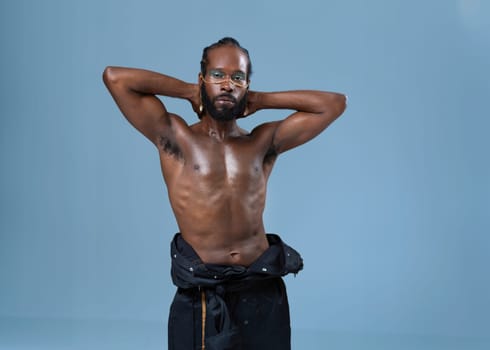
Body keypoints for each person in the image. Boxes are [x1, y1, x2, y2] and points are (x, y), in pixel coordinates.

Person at [103, 37, 346, 350]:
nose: (228, 84)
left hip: (261, 289)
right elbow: (115, 78)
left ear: (247, 84)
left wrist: (259, 99)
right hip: (205, 292)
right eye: (218, 75)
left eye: (238, 77)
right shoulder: (176, 138)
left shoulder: (263, 143)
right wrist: (188, 91)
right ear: (202, 78)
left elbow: (334, 103)